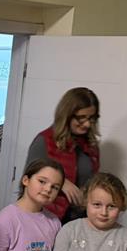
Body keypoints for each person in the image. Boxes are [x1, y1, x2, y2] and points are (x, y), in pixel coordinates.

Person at [27, 87, 100, 222]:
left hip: (80, 218)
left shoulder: (91, 145)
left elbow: (92, 180)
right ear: (67, 115)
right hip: (46, 217)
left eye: (91, 118)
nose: (87, 124)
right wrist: (61, 182)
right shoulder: (44, 141)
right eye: (81, 118)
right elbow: (29, 182)